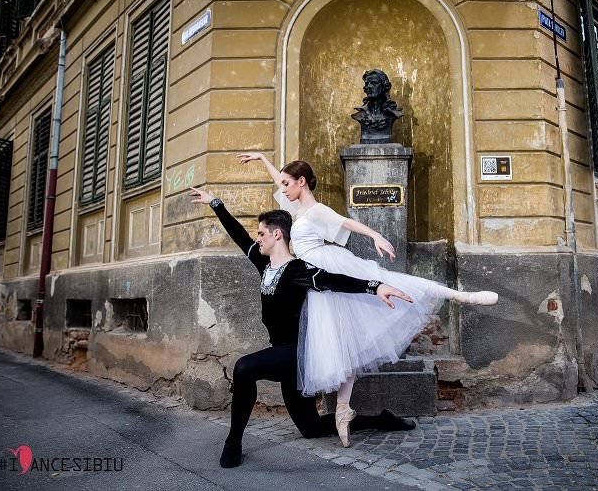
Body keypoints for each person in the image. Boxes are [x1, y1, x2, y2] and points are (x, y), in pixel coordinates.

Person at [237, 153, 498, 447]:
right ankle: (344, 409)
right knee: (344, 341)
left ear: (301, 183)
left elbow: (347, 222)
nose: (282, 189)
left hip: (327, 270)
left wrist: (375, 235)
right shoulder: (293, 209)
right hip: (308, 278)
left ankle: (458, 295)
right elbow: (279, 180)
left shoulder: (316, 210)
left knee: (380, 301)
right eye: (281, 184)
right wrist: (262, 159)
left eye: (287, 183)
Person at [189, 187, 416, 468]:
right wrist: (216, 203)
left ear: (277, 235)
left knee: (244, 368)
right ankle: (381, 419)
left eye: (261, 233)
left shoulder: (298, 270)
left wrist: (376, 286)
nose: (257, 238)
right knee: (312, 429)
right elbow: (239, 235)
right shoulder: (264, 264)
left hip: (298, 354)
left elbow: (337, 280)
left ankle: (232, 443)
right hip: (283, 357)